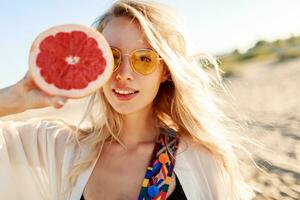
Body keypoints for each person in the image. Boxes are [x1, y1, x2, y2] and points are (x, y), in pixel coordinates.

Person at [0, 0, 256, 199]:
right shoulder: (60, 148)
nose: (123, 74)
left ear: (164, 70)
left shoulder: (201, 158)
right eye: (111, 57)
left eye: (143, 59)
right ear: (95, 63)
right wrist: (17, 98)